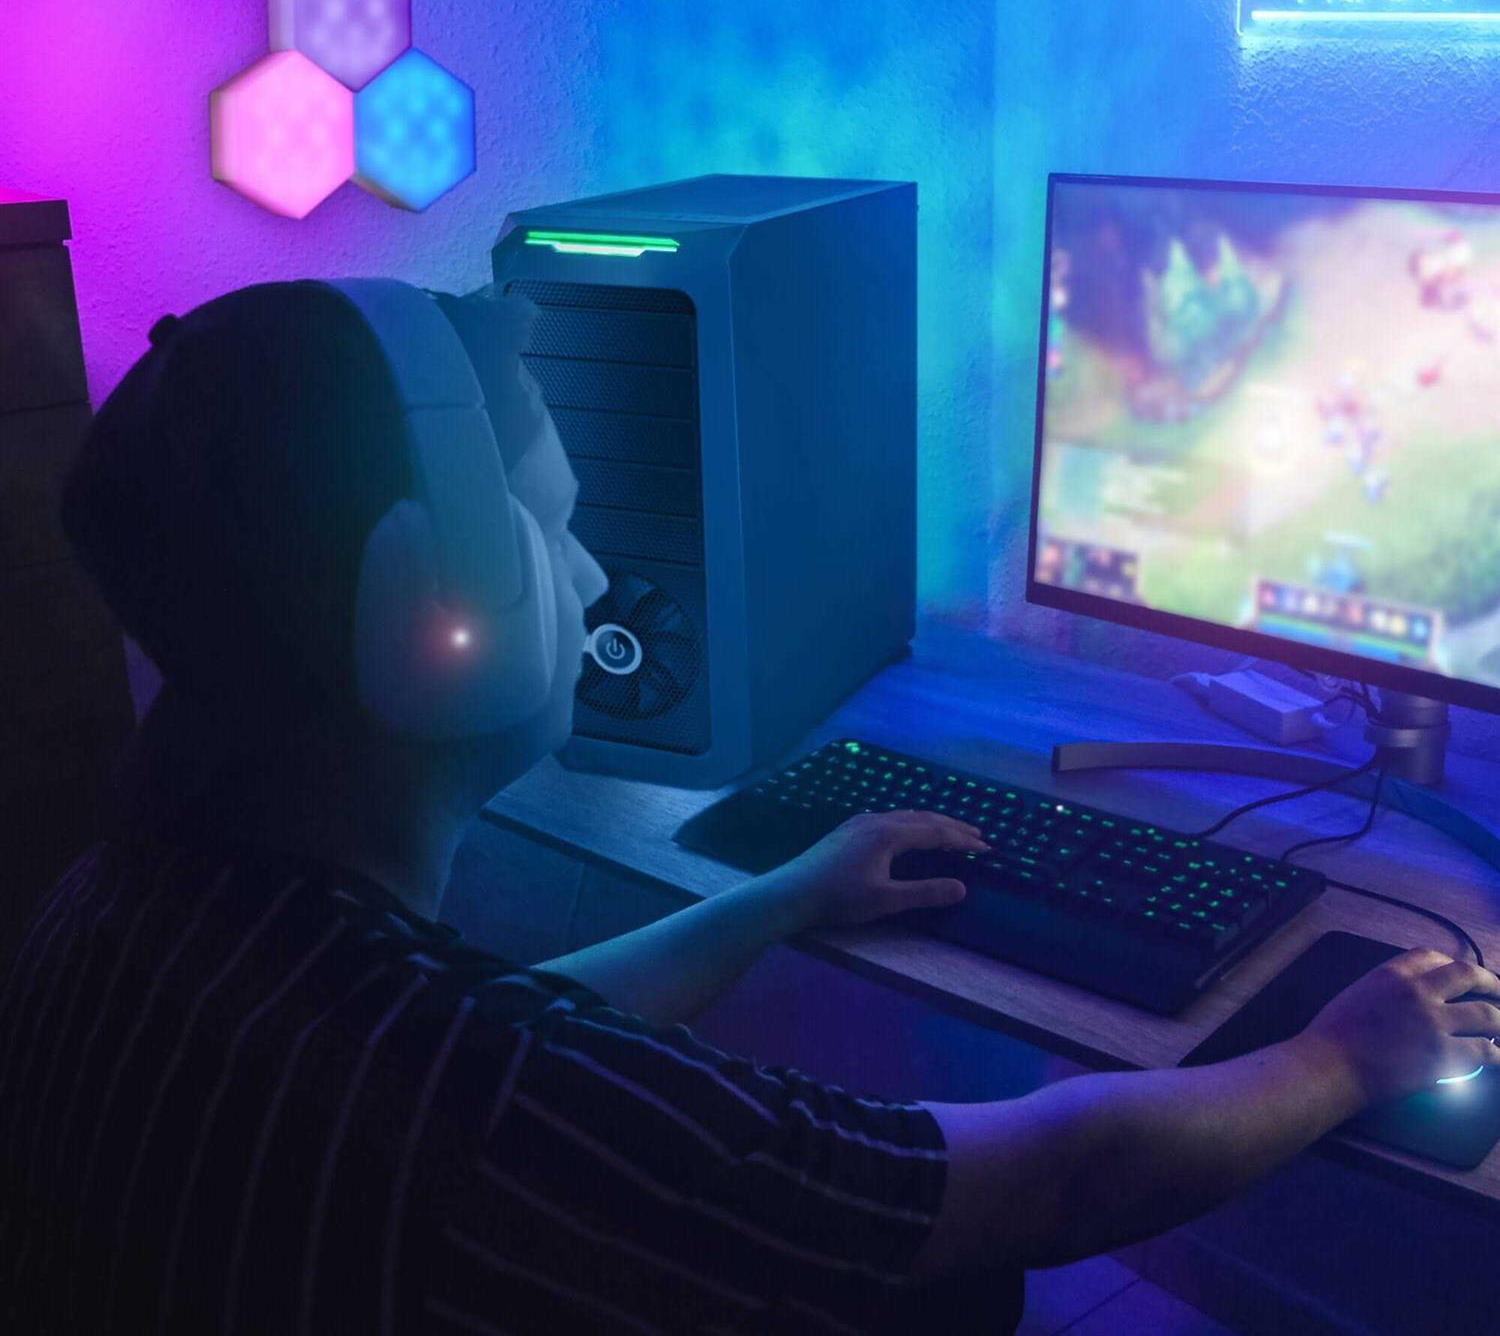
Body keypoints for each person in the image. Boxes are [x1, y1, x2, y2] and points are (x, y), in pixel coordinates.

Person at [1, 280, 1497, 1336]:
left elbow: (504, 1027)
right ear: (437, 616)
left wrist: (780, 898)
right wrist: (1337, 1057)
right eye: (553, 530)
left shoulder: (117, 907)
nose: (596, 577)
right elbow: (1051, 1183)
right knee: (957, 1289)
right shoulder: (493, 1105)